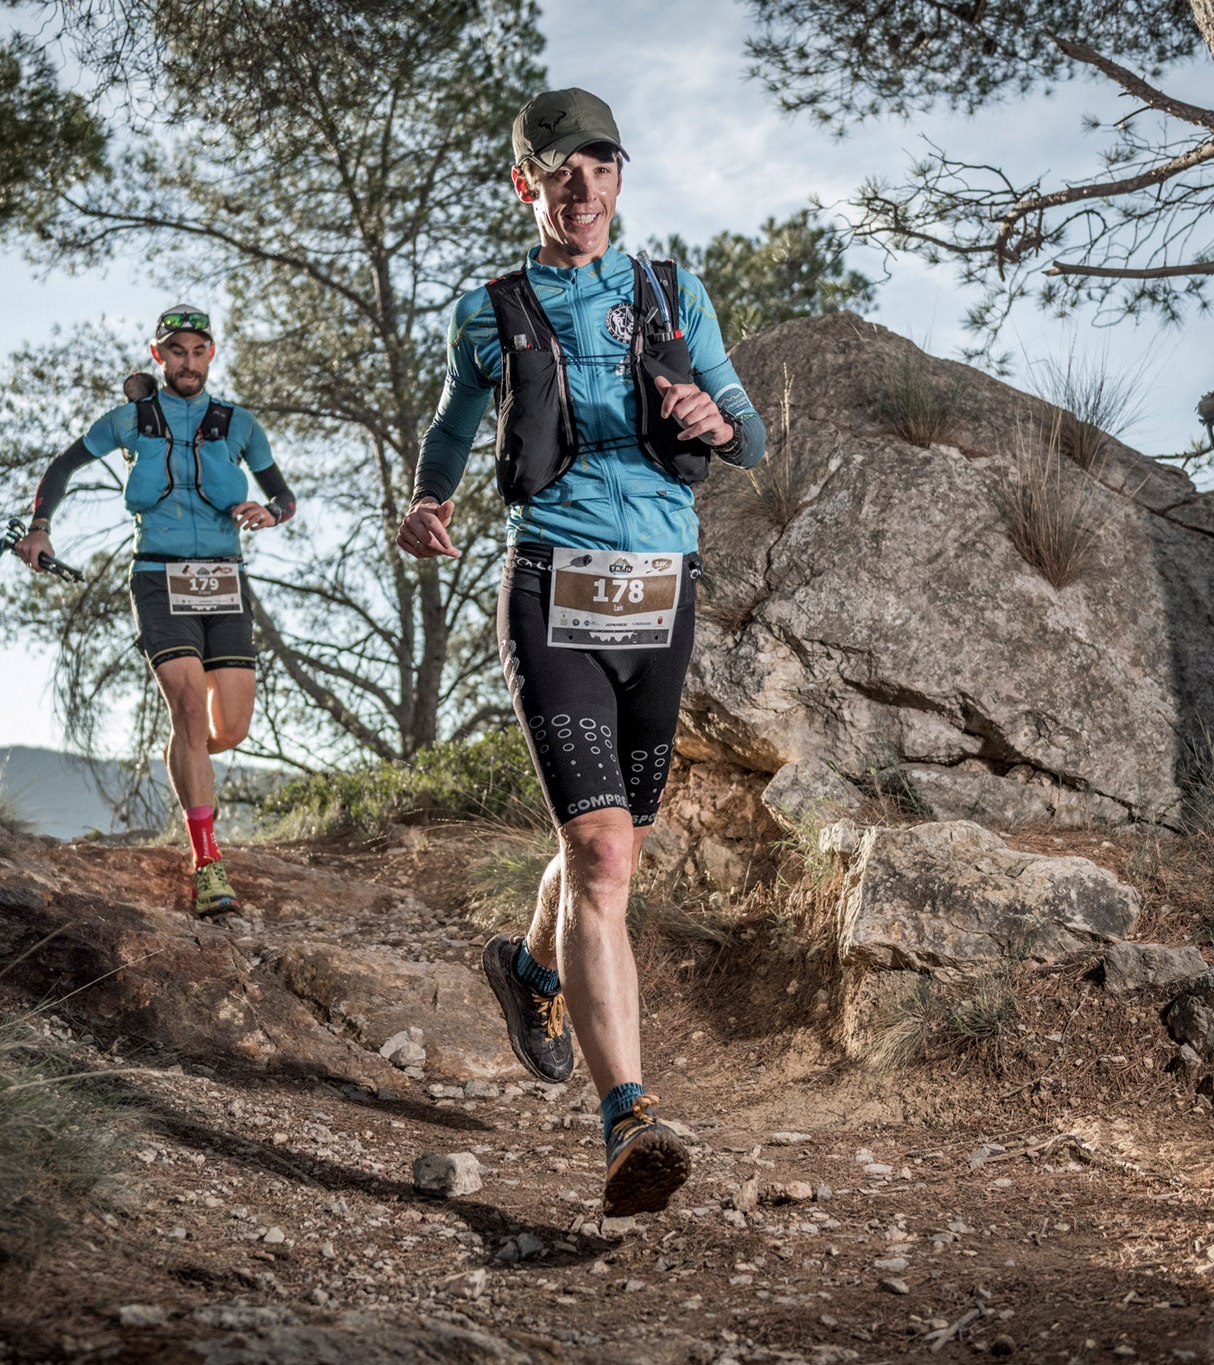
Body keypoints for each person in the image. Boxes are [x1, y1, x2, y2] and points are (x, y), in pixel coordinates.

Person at [397, 89, 766, 1216]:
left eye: (598, 165)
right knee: (600, 856)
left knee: (611, 843)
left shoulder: (671, 294)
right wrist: (425, 500)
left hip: (660, 598)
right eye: (558, 168)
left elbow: (749, 434)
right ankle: (628, 1120)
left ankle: (529, 968)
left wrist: (714, 421)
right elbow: (455, 427)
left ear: (618, 178)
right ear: (527, 183)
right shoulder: (490, 311)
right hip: (552, 590)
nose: (581, 185)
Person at [16, 306, 296, 917]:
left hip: (225, 583)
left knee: (228, 729)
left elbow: (284, 493)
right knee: (189, 710)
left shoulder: (239, 423)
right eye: (176, 351)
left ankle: (188, 754)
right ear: (157, 355)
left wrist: (273, 512)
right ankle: (207, 859)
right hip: (157, 577)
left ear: (211, 355)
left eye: (198, 351)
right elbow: (63, 466)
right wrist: (40, 528)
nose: (187, 361)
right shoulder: (130, 421)